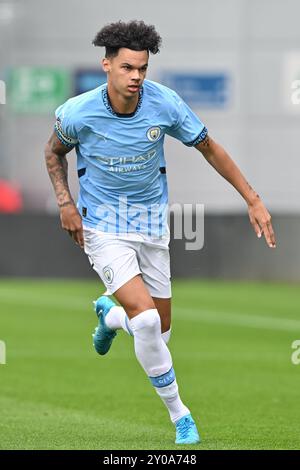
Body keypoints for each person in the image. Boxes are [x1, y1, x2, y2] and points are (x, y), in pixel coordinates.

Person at [45, 20, 276, 445]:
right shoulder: (79, 112)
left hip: (152, 226)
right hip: (103, 227)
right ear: (107, 65)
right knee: (148, 321)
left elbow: (210, 147)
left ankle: (111, 316)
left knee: (158, 332)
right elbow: (53, 151)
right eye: (128, 67)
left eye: (143, 69)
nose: (136, 77)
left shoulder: (164, 104)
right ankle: (181, 416)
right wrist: (65, 203)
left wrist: (253, 198)